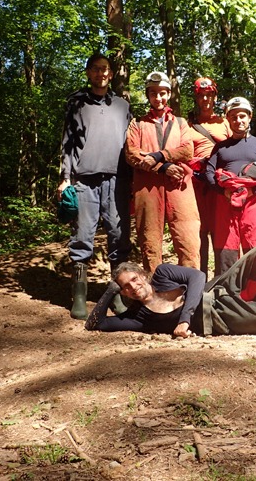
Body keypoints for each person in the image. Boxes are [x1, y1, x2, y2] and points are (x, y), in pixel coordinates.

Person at [85, 240, 256, 336]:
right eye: (126, 287)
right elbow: (95, 323)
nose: (133, 287)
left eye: (134, 279)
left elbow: (197, 277)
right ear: (123, 293)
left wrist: (183, 320)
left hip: (218, 289)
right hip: (216, 316)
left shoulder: (161, 273)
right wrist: (110, 288)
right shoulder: (137, 318)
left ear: (142, 275)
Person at [58, 53, 133, 320]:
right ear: (89, 73)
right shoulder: (77, 103)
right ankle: (79, 297)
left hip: (117, 180)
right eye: (96, 69)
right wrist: (65, 177)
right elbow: (68, 142)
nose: (102, 73)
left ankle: (118, 295)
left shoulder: (122, 106)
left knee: (119, 236)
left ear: (111, 74)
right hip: (84, 178)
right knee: (82, 236)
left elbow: (131, 145)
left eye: (106, 69)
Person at [125, 71, 201, 272]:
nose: (158, 98)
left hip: (180, 187)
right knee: (150, 242)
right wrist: (164, 167)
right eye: (153, 93)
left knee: (188, 240)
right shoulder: (138, 123)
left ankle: (190, 292)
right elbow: (132, 154)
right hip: (148, 188)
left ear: (169, 94)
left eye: (162, 93)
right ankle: (155, 295)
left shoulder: (181, 123)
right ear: (148, 95)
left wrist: (158, 156)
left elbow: (187, 149)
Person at [205, 97, 256, 275]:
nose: (238, 120)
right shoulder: (221, 147)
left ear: (250, 117)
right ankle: (226, 293)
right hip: (226, 201)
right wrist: (224, 191)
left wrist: (253, 190)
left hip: (254, 201)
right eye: (234, 117)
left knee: (255, 245)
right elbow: (208, 172)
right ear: (228, 120)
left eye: (242, 116)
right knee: (226, 246)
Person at [187, 77, 232, 275]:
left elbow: (236, 148)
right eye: (201, 96)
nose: (205, 99)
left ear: (215, 96)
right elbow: (184, 153)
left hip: (220, 184)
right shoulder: (188, 125)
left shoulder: (225, 123)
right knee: (200, 231)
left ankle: (222, 278)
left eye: (209, 95)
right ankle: (200, 278)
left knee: (221, 230)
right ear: (196, 98)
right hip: (198, 184)